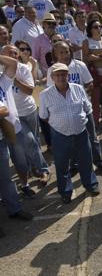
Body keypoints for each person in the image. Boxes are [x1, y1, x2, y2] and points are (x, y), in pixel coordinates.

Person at [39, 63, 100, 204]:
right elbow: (43, 116)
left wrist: (91, 131)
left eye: (63, 74)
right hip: (60, 136)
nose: (61, 77)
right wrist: (58, 124)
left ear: (68, 75)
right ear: (52, 77)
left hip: (81, 133)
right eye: (57, 75)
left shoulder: (78, 89)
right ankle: (65, 191)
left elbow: (88, 109)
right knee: (62, 165)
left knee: (86, 161)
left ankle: (91, 184)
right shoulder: (45, 95)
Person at [2, 45, 49, 196]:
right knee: (28, 141)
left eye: (16, 53)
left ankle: (34, 168)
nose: (15, 55)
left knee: (33, 141)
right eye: (11, 53)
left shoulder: (22, 69)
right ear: (3, 55)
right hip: (13, 118)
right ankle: (42, 170)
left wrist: (14, 79)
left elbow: (30, 90)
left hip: (30, 111)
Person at [0, 51, 34, 223]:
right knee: (4, 175)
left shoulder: (2, 79)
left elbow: (12, 63)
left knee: (15, 168)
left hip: (11, 129)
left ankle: (15, 207)